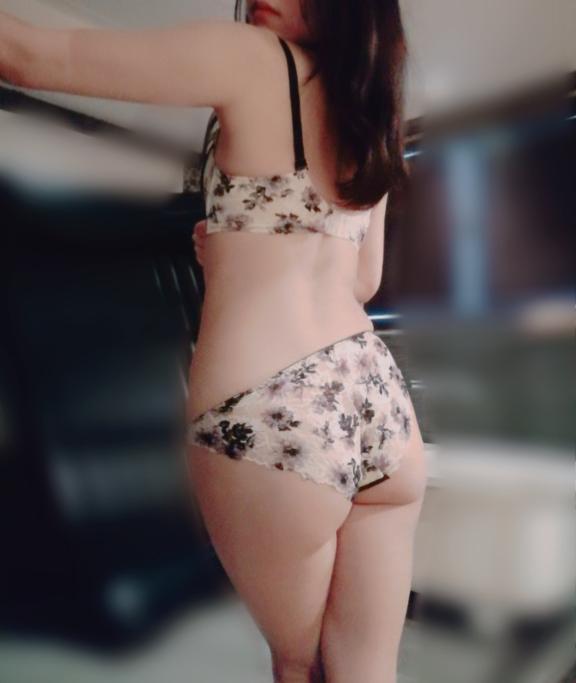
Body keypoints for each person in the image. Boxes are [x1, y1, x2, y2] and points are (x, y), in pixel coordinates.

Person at [0, 2, 427, 681]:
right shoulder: (370, 115)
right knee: (367, 670)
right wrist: (236, 248)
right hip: (376, 398)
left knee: (301, 667)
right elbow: (363, 280)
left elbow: (27, 55)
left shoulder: (254, 59)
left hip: (275, 406)